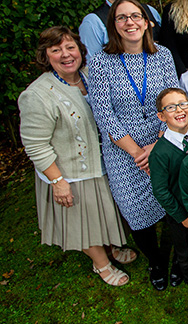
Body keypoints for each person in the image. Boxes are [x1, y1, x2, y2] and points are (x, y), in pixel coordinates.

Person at [18, 27, 132, 286]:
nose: (65, 55)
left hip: (103, 163)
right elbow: (35, 145)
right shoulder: (37, 95)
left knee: (105, 213)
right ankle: (102, 265)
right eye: (56, 50)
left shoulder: (91, 76)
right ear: (45, 56)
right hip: (70, 172)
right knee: (83, 220)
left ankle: (111, 249)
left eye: (70, 48)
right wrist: (58, 181)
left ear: (80, 51)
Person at [88, 0, 179, 291]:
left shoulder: (162, 55)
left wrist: (158, 145)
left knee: (171, 201)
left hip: (162, 139)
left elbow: (175, 101)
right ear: (113, 25)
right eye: (122, 17)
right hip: (123, 151)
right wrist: (138, 153)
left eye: (136, 16)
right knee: (136, 210)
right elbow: (104, 113)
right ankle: (154, 260)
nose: (130, 22)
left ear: (147, 22)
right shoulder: (101, 61)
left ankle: (178, 258)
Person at [148, 87, 188, 314]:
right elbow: (161, 191)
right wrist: (183, 216)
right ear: (161, 116)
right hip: (182, 216)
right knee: (186, 253)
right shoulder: (161, 152)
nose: (179, 110)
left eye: (183, 104)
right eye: (171, 107)